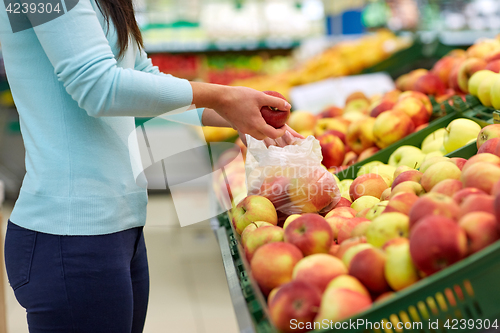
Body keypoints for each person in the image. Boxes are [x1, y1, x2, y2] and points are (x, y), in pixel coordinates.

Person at [0, 0, 301, 332]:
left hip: (119, 226)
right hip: (68, 234)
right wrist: (223, 97)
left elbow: (139, 77)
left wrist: (233, 114)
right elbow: (98, 87)